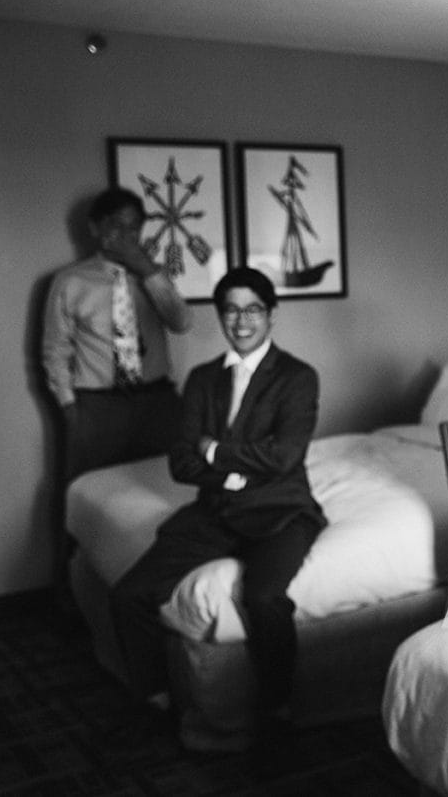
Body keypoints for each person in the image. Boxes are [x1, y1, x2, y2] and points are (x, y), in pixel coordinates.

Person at [109, 267, 324, 741]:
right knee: (129, 595)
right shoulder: (203, 379)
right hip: (216, 513)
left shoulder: (297, 377)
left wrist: (213, 451)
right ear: (221, 316)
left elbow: (285, 457)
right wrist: (236, 468)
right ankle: (157, 700)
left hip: (280, 512)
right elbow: (180, 465)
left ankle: (278, 708)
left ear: (272, 315)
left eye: (252, 309)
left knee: (264, 598)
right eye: (231, 310)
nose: (241, 321)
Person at [42, 187, 192, 479]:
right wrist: (69, 406)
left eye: (134, 226)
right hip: (98, 406)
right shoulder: (70, 281)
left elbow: (181, 322)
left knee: (166, 483)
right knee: (90, 490)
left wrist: (147, 270)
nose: (126, 234)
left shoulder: (155, 275)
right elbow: (55, 349)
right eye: (116, 225)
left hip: (156, 400)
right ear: (95, 228)